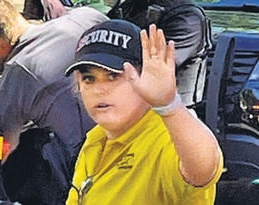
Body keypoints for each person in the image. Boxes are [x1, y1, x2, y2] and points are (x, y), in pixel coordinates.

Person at [0, 0, 107, 204]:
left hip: (88, 165)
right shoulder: (84, 17)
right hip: (137, 132)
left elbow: (3, 144)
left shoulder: (18, 71)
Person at [64, 20, 223, 204]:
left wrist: (169, 106)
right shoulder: (96, 139)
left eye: (113, 76)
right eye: (88, 78)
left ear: (145, 77)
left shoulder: (165, 137)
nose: (99, 89)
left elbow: (203, 170)